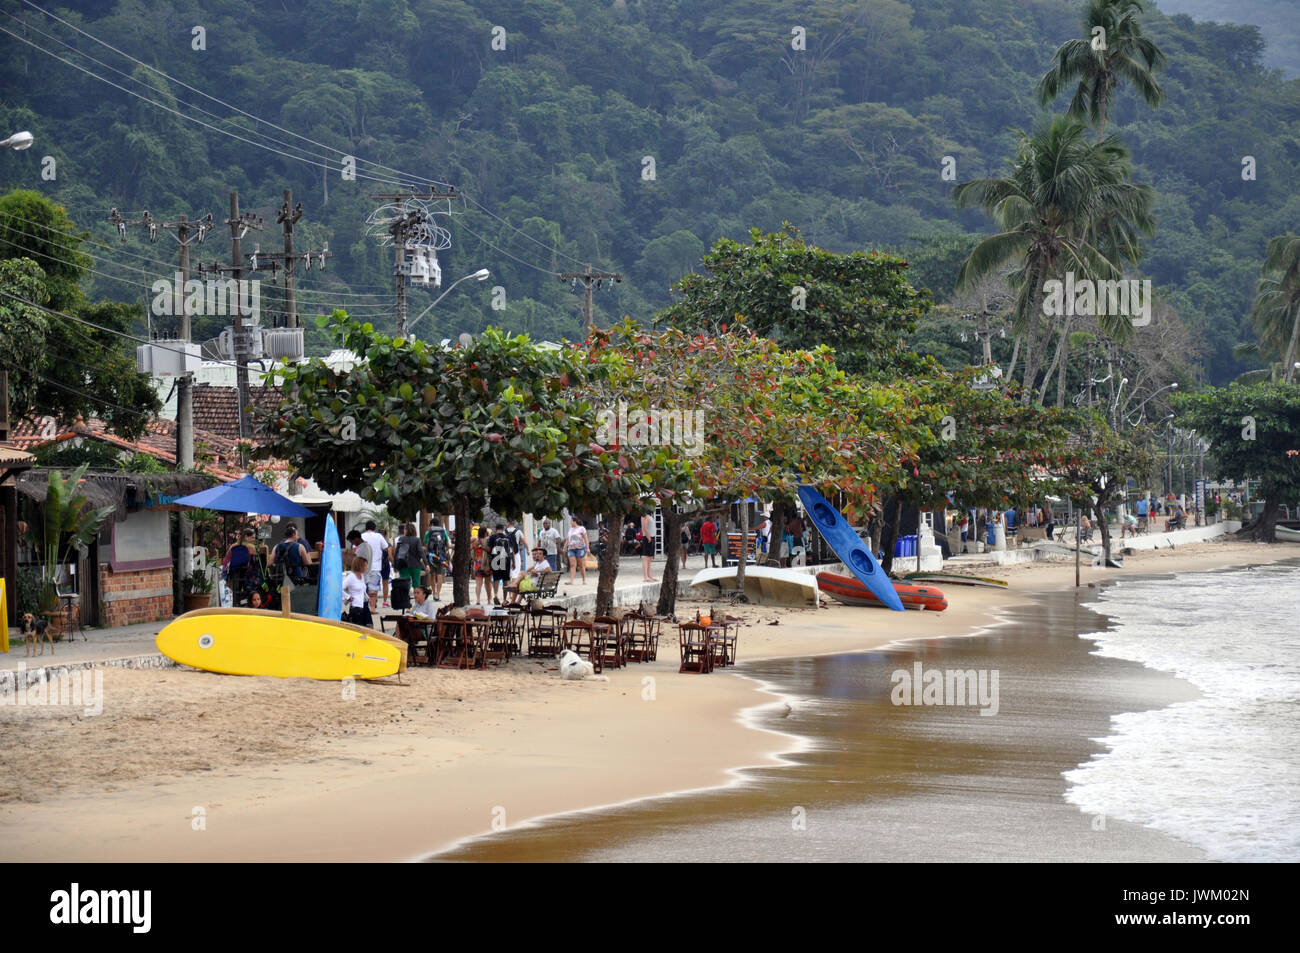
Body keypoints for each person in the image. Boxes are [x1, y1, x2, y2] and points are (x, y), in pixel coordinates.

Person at [361, 520, 390, 609]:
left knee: (363, 587)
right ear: (375, 528)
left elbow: (355, 548)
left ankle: (363, 606)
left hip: (362, 566)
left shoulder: (361, 536)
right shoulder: (379, 536)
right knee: (373, 588)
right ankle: (372, 608)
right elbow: (386, 547)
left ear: (366, 528)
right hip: (375, 566)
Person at [393, 523, 424, 593]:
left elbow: (396, 553)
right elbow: (421, 552)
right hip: (416, 565)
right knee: (417, 586)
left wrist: (395, 565)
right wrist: (426, 563)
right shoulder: (417, 540)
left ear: (406, 530)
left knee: (404, 585)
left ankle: (405, 601)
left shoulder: (401, 539)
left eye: (404, 529)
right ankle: (417, 603)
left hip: (404, 565)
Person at [423, 519, 450, 601]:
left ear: (431, 524)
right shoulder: (443, 532)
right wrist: (445, 551)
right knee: (439, 574)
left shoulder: (428, 532)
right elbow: (448, 544)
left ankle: (434, 592)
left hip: (431, 556)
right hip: (440, 556)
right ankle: (438, 594)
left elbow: (425, 544)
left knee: (432, 574)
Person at [487, 523, 513, 604]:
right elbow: (511, 551)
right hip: (506, 559)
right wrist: (513, 562)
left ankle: (495, 595)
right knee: (505, 580)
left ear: (496, 529)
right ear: (503, 529)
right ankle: (504, 599)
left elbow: (489, 549)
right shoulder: (507, 537)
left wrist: (482, 547)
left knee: (496, 578)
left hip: (496, 559)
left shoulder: (492, 537)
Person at [343, 555, 372, 627]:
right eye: (365, 566)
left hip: (364, 605)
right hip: (356, 606)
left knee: (369, 626)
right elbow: (340, 587)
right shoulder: (351, 577)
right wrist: (348, 597)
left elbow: (363, 589)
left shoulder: (361, 576)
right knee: (359, 628)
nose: (366, 567)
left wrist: (368, 597)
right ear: (360, 566)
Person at [566, 519, 589, 585]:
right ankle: (571, 580)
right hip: (571, 548)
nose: (570, 523)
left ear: (575, 521)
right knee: (572, 565)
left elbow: (586, 539)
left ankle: (584, 580)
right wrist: (565, 547)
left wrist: (587, 548)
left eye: (571, 521)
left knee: (580, 565)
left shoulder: (582, 528)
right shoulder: (570, 529)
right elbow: (568, 539)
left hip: (580, 548)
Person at [472, 526, 489, 604]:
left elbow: (472, 548)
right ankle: (489, 600)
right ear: (485, 532)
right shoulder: (487, 541)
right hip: (486, 564)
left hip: (477, 564)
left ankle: (478, 600)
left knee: (478, 584)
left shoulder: (476, 541)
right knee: (487, 583)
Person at [640, 512, 657, 582]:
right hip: (648, 538)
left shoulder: (649, 516)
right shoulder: (644, 516)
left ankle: (649, 575)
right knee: (646, 557)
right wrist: (649, 537)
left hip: (651, 537)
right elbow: (644, 528)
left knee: (650, 557)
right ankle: (646, 576)